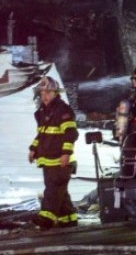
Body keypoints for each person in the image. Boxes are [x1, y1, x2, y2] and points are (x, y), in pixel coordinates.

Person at [28, 76, 79, 230]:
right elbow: (41, 135)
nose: (44, 96)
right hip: (48, 160)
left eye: (48, 92)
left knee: (53, 190)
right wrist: (33, 149)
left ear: (56, 93)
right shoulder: (43, 112)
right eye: (42, 93)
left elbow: (71, 133)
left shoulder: (63, 110)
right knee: (59, 192)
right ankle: (68, 219)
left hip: (61, 161)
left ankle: (46, 218)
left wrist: (66, 153)